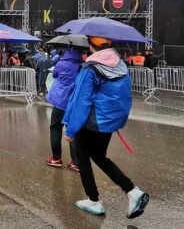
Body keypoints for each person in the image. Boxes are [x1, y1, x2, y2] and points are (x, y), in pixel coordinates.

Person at [63, 36, 149, 218]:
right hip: (109, 121)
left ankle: (93, 200)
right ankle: (133, 192)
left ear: (90, 44)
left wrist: (71, 128)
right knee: (100, 157)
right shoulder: (120, 65)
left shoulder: (90, 68)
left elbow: (82, 100)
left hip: (91, 121)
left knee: (83, 158)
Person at [44, 47, 83, 172]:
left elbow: (54, 74)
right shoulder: (82, 66)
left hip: (61, 102)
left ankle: (56, 158)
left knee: (55, 128)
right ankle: (76, 162)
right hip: (74, 103)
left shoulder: (61, 63)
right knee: (72, 131)